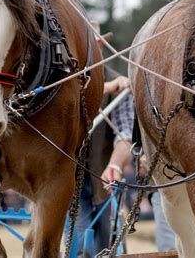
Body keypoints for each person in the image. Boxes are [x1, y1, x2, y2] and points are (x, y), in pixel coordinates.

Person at [68, 23, 134, 256]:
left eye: (94, 44)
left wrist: (115, 165)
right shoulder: (62, 84)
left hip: (102, 177)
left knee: (108, 245)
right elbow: (69, 92)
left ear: (101, 47)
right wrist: (105, 88)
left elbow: (125, 135)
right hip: (67, 182)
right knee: (81, 245)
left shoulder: (122, 86)